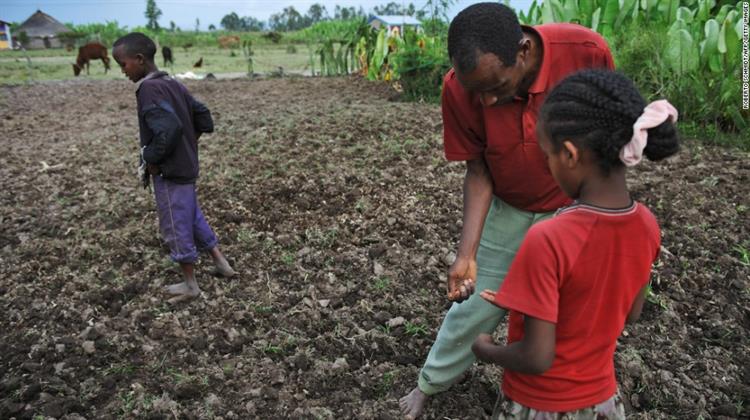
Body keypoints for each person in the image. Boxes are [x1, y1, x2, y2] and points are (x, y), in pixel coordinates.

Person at [400, 3, 615, 418]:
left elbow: (607, 139)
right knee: (475, 303)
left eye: (496, 86)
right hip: (511, 206)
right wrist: (467, 254)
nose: (487, 99)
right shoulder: (460, 88)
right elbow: (479, 170)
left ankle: (581, 397)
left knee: (572, 314)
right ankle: (429, 382)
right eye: (476, 91)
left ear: (523, 51)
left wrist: (600, 218)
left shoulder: (585, 52)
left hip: (574, 209)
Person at [472, 69, 680, 418]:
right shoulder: (646, 224)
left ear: (569, 155)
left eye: (547, 156)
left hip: (540, 404)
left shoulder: (549, 238)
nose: (548, 166)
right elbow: (630, 311)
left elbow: (536, 357)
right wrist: (525, 298)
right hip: (601, 401)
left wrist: (486, 349)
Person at [112, 32, 235, 302]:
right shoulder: (172, 83)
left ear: (140, 60)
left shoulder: (148, 89)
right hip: (187, 164)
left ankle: (191, 284)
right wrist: (188, 144)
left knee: (175, 223)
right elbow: (203, 117)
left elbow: (168, 129)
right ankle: (221, 263)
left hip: (170, 172)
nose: (123, 71)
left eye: (123, 64)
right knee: (191, 216)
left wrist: (151, 159)